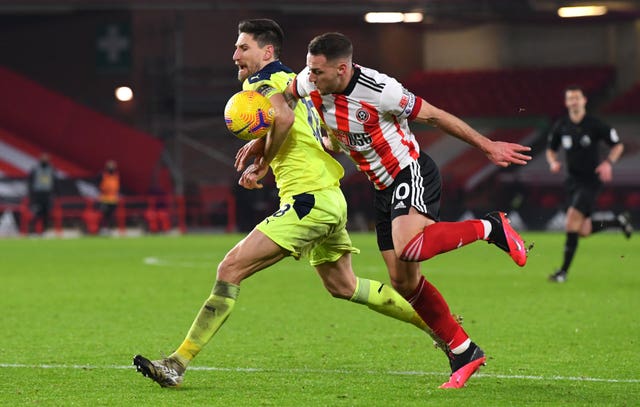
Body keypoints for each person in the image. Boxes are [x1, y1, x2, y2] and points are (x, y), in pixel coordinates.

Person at [133, 19, 453, 389]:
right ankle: (438, 327)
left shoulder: (264, 83)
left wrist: (265, 159)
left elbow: (282, 117)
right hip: (330, 196)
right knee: (343, 285)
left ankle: (177, 362)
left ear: (267, 52)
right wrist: (267, 142)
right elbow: (325, 134)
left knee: (230, 268)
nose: (235, 55)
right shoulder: (302, 82)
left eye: (243, 47)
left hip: (309, 200)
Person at [271, 32, 532, 388]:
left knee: (410, 245)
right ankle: (464, 350)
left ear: (343, 69)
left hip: (409, 171)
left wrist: (487, 146)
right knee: (404, 282)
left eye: (317, 71)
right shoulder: (308, 80)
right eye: (309, 69)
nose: (309, 76)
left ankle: (491, 226)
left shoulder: (382, 90)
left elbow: (436, 117)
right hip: (381, 187)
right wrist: (263, 149)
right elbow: (281, 98)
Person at [546, 85, 632, 283]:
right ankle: (617, 222)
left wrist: (608, 163)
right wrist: (553, 162)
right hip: (572, 182)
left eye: (577, 98)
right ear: (566, 103)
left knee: (570, 221)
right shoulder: (562, 126)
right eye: (570, 99)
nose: (574, 101)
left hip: (591, 181)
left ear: (584, 100)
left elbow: (618, 145)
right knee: (582, 230)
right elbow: (551, 149)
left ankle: (563, 272)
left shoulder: (594, 124)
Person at [27, 153, 56, 234]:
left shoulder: (51, 169)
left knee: (47, 214)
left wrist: (54, 194)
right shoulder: (35, 169)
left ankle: (44, 232)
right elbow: (30, 182)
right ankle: (33, 232)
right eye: (43, 158)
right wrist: (31, 195)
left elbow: (54, 182)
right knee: (36, 213)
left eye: (46, 158)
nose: (45, 160)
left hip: (47, 194)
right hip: (37, 194)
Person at [97, 160, 120, 232]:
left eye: (112, 167)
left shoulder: (116, 176)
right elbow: (99, 186)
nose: (111, 168)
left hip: (113, 199)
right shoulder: (103, 175)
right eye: (110, 167)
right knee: (104, 215)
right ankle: (102, 229)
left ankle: (109, 229)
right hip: (104, 199)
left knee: (111, 216)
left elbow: (117, 187)